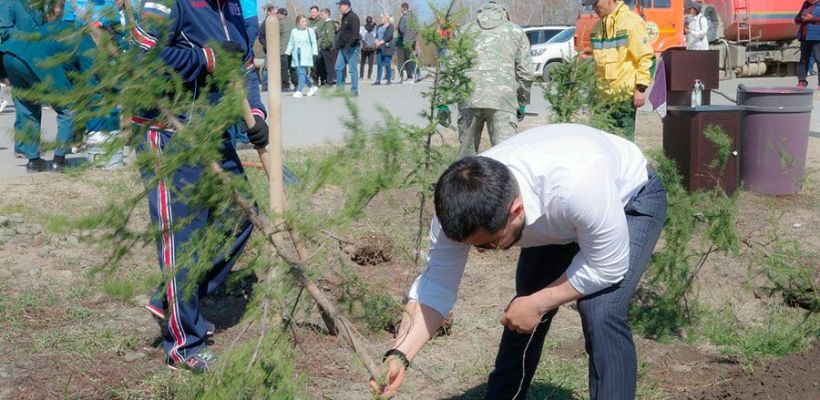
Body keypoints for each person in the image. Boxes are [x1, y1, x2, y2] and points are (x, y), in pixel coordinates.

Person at [369, 123, 668, 400]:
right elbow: (435, 287)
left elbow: (608, 265)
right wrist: (400, 354)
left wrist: (541, 301)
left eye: (490, 242)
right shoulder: (457, 206)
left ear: (516, 210)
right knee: (522, 310)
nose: (483, 251)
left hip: (627, 198)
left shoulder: (576, 184)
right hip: (562, 216)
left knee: (600, 309)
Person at [134, 0, 268, 373]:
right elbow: (142, 61)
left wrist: (256, 114)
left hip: (213, 131)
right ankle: (184, 344)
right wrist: (204, 58)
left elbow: (244, 69)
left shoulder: (235, 10)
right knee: (184, 237)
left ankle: (174, 298)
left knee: (242, 215)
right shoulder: (166, 4)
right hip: (170, 130)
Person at [1, 0, 90, 173]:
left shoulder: (37, 5)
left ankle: (33, 161)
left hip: (29, 57)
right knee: (65, 107)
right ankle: (58, 159)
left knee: (29, 108)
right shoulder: (8, 3)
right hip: (18, 54)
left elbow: (45, 27)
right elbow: (4, 30)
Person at [449, 2, 532, 158]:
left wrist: (442, 103)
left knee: (466, 160)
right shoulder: (515, 31)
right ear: (503, 12)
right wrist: (522, 101)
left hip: (469, 98)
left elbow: (450, 67)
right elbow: (526, 72)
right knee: (506, 157)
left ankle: (465, 183)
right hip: (503, 100)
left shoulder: (463, 31)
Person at [585, 0, 654, 142]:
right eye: (591, 5)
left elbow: (646, 57)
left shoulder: (631, 21)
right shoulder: (596, 30)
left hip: (624, 98)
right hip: (602, 99)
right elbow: (597, 65)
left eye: (595, 3)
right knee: (603, 143)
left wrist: (640, 89)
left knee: (624, 143)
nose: (594, 8)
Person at [286, 15, 319, 98]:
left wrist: (315, 53)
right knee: (300, 73)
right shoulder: (294, 31)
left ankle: (299, 90)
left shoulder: (310, 31)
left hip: (306, 54)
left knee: (301, 72)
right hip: (296, 54)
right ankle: (312, 87)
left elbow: (314, 42)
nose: (305, 23)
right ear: (298, 23)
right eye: (303, 21)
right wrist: (287, 52)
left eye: (305, 21)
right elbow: (291, 42)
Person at [334, 0, 360, 96]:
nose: (339, 8)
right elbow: (343, 33)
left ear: (347, 6)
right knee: (338, 68)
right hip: (342, 48)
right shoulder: (344, 17)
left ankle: (354, 91)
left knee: (352, 70)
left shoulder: (353, 17)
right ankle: (340, 90)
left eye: (340, 5)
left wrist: (349, 45)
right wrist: (338, 43)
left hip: (351, 48)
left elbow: (355, 34)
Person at [795, 0, 820, 88]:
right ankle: (802, 81)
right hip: (805, 37)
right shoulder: (805, 4)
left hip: (817, 37)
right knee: (803, 60)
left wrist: (812, 18)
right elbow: (796, 20)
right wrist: (801, 18)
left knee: (819, 59)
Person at [396, 2, 417, 83]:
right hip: (412, 41)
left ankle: (406, 77)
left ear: (404, 9)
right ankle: (411, 76)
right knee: (410, 59)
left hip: (405, 41)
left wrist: (400, 32)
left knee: (404, 59)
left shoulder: (404, 18)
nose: (401, 11)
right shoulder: (413, 18)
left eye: (402, 9)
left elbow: (401, 29)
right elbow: (416, 29)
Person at [316, 8, 337, 85]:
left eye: (322, 14)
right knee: (325, 65)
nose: (321, 16)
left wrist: (325, 45)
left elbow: (330, 38)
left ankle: (330, 81)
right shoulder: (325, 24)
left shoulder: (329, 25)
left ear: (326, 14)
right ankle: (327, 80)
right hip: (324, 48)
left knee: (329, 66)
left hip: (328, 49)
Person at [373, 13, 395, 85]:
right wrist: (376, 41)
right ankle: (378, 80)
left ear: (386, 19)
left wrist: (379, 43)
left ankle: (388, 79)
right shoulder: (379, 26)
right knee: (379, 64)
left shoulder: (390, 26)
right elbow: (376, 35)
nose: (381, 19)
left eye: (382, 18)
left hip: (387, 48)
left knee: (387, 64)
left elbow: (388, 37)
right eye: (381, 18)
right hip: (379, 48)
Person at [359, 15, 377, 81]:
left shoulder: (362, 28)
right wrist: (375, 24)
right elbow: (376, 37)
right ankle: (369, 77)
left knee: (362, 63)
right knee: (370, 63)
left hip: (364, 48)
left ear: (366, 21)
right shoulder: (375, 28)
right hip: (372, 48)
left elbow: (360, 36)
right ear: (371, 21)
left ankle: (361, 76)